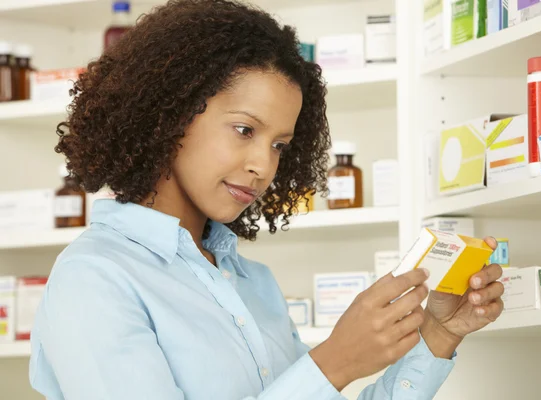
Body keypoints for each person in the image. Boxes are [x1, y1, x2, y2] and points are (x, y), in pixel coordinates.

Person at [29, 1, 505, 399]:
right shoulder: (94, 277)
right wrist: (332, 364)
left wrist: (439, 333)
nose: (263, 165)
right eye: (244, 130)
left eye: (279, 145)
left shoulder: (251, 283)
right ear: (170, 114)